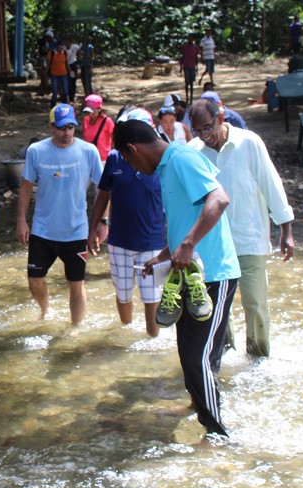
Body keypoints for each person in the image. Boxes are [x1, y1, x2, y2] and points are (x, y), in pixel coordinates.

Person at [113, 119, 240, 437]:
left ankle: (217, 433)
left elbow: (219, 199)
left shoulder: (182, 158)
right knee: (191, 351)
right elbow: (187, 217)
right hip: (188, 271)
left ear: (133, 148)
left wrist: (187, 244)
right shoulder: (166, 167)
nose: (133, 167)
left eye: (128, 160)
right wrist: (165, 254)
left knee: (196, 354)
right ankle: (199, 407)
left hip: (213, 272)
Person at [188, 99, 294, 357]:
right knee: (217, 304)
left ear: (221, 117)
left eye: (208, 127)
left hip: (250, 239)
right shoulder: (194, 151)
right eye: (198, 130)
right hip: (215, 245)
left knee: (255, 304)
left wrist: (286, 230)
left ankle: (259, 355)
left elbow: (272, 184)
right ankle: (224, 353)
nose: (205, 135)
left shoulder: (249, 142)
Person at [16, 104, 104, 326]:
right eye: (62, 128)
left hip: (76, 231)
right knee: (34, 281)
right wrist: (21, 221)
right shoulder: (36, 151)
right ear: (51, 127)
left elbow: (103, 189)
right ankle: (46, 310)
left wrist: (102, 222)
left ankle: (75, 327)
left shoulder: (88, 151)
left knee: (76, 284)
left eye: (71, 127)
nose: (67, 133)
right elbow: (26, 186)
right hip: (43, 230)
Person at [88, 108, 166, 337]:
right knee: (123, 293)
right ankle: (127, 332)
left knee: (151, 296)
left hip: (151, 241)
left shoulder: (161, 161)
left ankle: (152, 337)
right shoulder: (115, 158)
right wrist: (96, 226)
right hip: (119, 240)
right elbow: (103, 194)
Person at [82, 94, 114, 163]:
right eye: (88, 111)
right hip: (88, 158)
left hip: (103, 160)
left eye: (92, 111)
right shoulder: (86, 120)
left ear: (99, 109)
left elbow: (115, 139)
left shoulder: (107, 121)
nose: (90, 114)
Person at [179, 34, 201, 104]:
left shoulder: (195, 47)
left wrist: (196, 67)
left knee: (191, 83)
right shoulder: (184, 47)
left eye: (191, 38)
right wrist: (180, 67)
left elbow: (196, 58)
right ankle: (187, 97)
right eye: (189, 38)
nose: (190, 39)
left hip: (192, 66)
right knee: (186, 82)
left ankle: (191, 98)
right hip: (186, 66)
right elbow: (182, 57)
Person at [47, 41, 69, 108]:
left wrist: (70, 71)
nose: (62, 48)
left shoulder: (65, 53)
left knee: (65, 91)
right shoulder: (52, 53)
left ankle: (64, 105)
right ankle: (52, 106)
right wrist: (47, 74)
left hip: (64, 74)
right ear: (57, 46)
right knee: (55, 91)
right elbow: (48, 64)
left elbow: (66, 63)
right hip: (54, 75)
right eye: (61, 46)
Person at [37, 29, 55, 96]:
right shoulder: (41, 41)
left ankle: (51, 90)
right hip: (43, 57)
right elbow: (40, 49)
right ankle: (43, 90)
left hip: (51, 59)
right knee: (43, 74)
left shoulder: (53, 42)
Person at [64, 36, 81, 103]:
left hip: (73, 64)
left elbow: (80, 53)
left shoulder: (75, 47)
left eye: (67, 40)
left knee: (73, 82)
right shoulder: (64, 48)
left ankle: (72, 98)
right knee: (67, 82)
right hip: (66, 65)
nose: (65, 42)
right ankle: (67, 97)